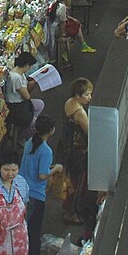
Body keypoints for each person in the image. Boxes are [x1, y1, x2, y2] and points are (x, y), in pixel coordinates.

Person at [20, 116, 61, 255]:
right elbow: (42, 174)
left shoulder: (30, 142)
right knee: (33, 231)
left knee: (21, 228)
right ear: (51, 131)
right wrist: (56, 169)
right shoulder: (46, 150)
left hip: (22, 191)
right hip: (35, 195)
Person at [58, 78, 93, 233]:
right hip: (79, 151)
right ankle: (72, 212)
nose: (89, 97)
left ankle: (68, 206)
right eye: (86, 95)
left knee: (70, 179)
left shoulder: (68, 103)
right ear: (78, 95)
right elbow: (90, 133)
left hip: (67, 147)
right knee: (78, 182)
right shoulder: (80, 113)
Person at [3, 52, 44, 139]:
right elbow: (27, 96)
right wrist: (34, 83)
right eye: (29, 66)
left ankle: (26, 126)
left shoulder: (19, 72)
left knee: (40, 104)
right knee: (36, 125)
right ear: (26, 65)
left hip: (21, 103)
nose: (29, 69)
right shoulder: (16, 78)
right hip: (16, 108)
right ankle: (20, 136)